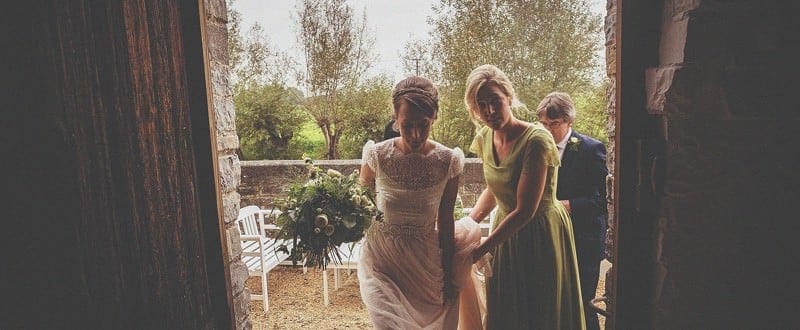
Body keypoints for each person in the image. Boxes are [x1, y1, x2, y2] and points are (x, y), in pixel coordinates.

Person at [464, 64, 586, 329]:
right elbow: (495, 188)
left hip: (538, 233)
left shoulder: (536, 140)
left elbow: (525, 209)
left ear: (509, 96)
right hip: (505, 231)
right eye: (481, 104)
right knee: (507, 307)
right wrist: (467, 225)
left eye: (495, 101)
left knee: (538, 310)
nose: (490, 111)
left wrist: (480, 249)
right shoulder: (485, 136)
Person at [357, 76, 484, 329]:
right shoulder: (377, 155)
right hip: (382, 262)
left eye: (423, 125)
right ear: (395, 118)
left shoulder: (448, 161)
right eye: (407, 125)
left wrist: (448, 275)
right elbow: (359, 203)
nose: (415, 135)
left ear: (434, 117)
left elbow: (445, 220)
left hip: (424, 263)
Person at [537, 91, 608, 330]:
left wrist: (566, 205)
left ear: (569, 121)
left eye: (554, 124)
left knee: (583, 305)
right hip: (549, 239)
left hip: (583, 240)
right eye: (543, 124)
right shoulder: (536, 149)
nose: (547, 130)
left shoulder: (591, 149)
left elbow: (600, 201)